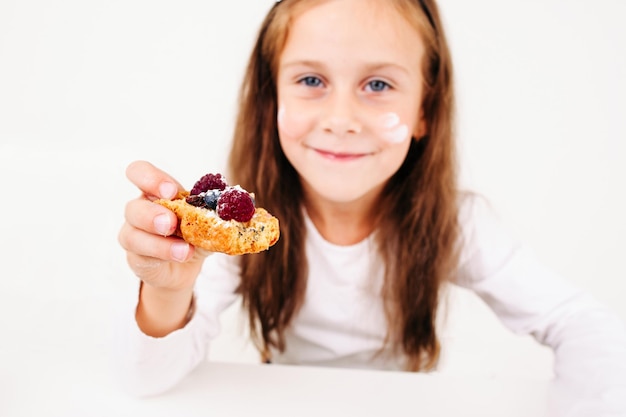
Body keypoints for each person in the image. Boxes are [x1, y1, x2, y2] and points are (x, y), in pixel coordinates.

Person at [116, 0, 626, 413]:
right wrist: (168, 289)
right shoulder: (234, 227)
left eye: (378, 85)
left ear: (424, 110)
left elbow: (584, 326)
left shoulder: (457, 225)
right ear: (270, 101)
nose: (341, 119)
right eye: (311, 81)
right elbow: (146, 382)